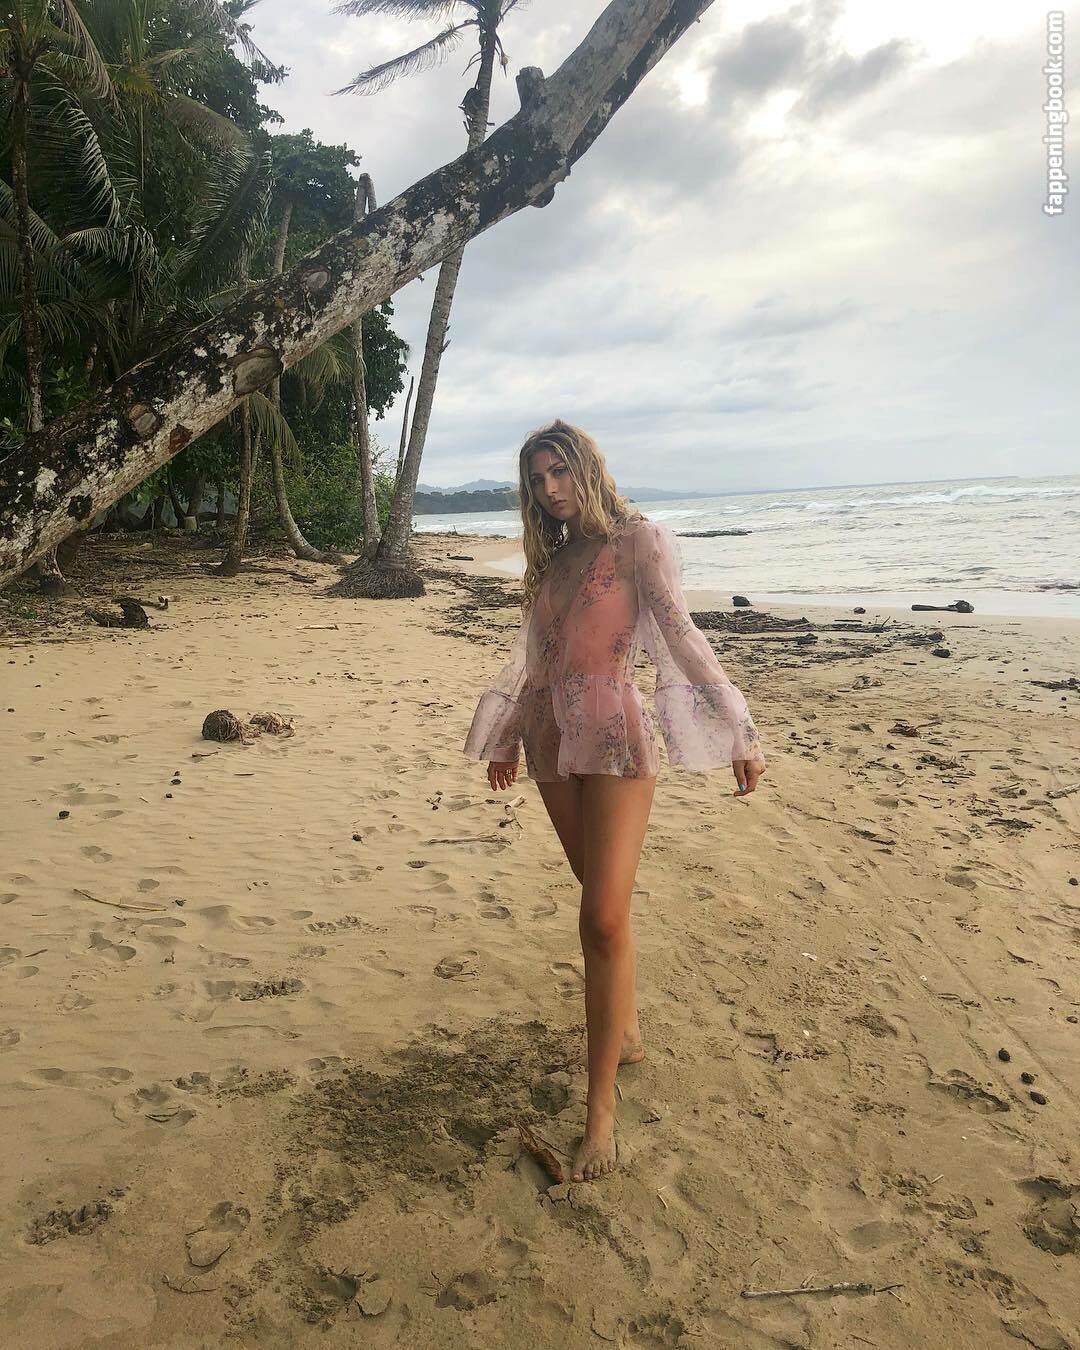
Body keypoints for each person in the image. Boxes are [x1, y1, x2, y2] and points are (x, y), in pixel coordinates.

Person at [463, 420, 766, 1182]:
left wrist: (738, 727)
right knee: (601, 902)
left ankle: (599, 1114)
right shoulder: (555, 562)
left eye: (559, 471)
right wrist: (507, 735)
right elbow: (537, 660)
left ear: (587, 467)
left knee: (599, 917)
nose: (549, 489)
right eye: (537, 479)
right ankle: (624, 1031)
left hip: (616, 740)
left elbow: (682, 634)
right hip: (550, 739)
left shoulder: (638, 542)